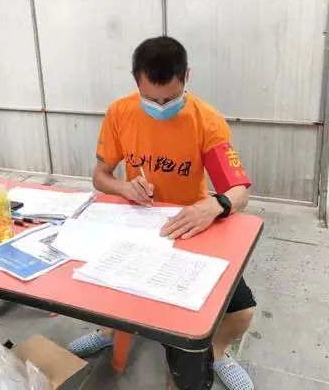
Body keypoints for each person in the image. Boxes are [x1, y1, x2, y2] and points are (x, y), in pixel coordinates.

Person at [67, 36, 256, 390]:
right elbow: (100, 176)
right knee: (102, 283)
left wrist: (214, 205)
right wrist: (124, 188)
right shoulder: (120, 113)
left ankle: (217, 352)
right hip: (137, 220)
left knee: (242, 311)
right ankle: (108, 332)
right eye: (150, 99)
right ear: (136, 81)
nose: (160, 106)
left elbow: (239, 192)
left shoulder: (206, 121)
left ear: (186, 77)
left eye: (169, 99)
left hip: (189, 224)